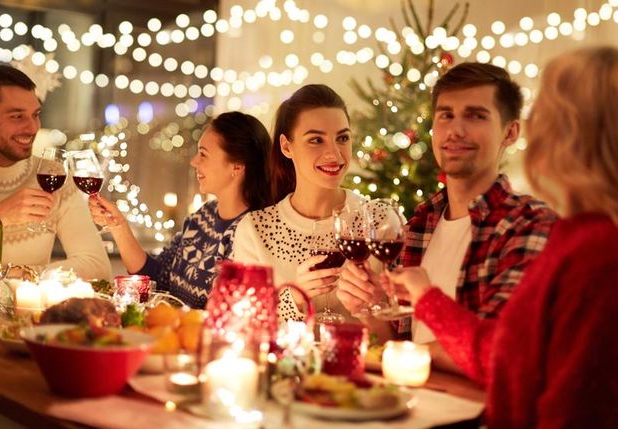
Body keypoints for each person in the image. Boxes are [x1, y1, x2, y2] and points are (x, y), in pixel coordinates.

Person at [387, 46, 618, 429]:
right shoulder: (421, 220)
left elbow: (508, 365)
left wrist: (426, 301)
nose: (538, 126)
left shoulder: (583, 247)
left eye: (549, 112)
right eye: (445, 115)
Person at [338, 62, 558, 361]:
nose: (455, 130)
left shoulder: (529, 224)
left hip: (480, 409)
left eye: (476, 116)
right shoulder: (419, 224)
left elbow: (501, 355)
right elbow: (402, 338)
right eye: (446, 115)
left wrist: (411, 351)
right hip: (412, 404)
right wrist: (371, 308)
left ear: (510, 132)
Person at [90, 111, 272, 308]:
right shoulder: (201, 218)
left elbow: (227, 314)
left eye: (203, 154)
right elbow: (157, 277)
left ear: (236, 167)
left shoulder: (253, 232)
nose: (194, 161)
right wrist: (118, 226)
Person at [233, 84, 364, 322]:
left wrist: (373, 304)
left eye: (342, 138)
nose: (334, 154)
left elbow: (401, 329)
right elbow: (243, 326)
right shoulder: (255, 230)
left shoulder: (378, 221)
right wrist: (292, 298)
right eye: (316, 140)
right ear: (286, 146)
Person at [0, 65, 110, 279]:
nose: (32, 127)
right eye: (17, 117)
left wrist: (23, 274)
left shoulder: (54, 176)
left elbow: (97, 266)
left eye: (35, 115)